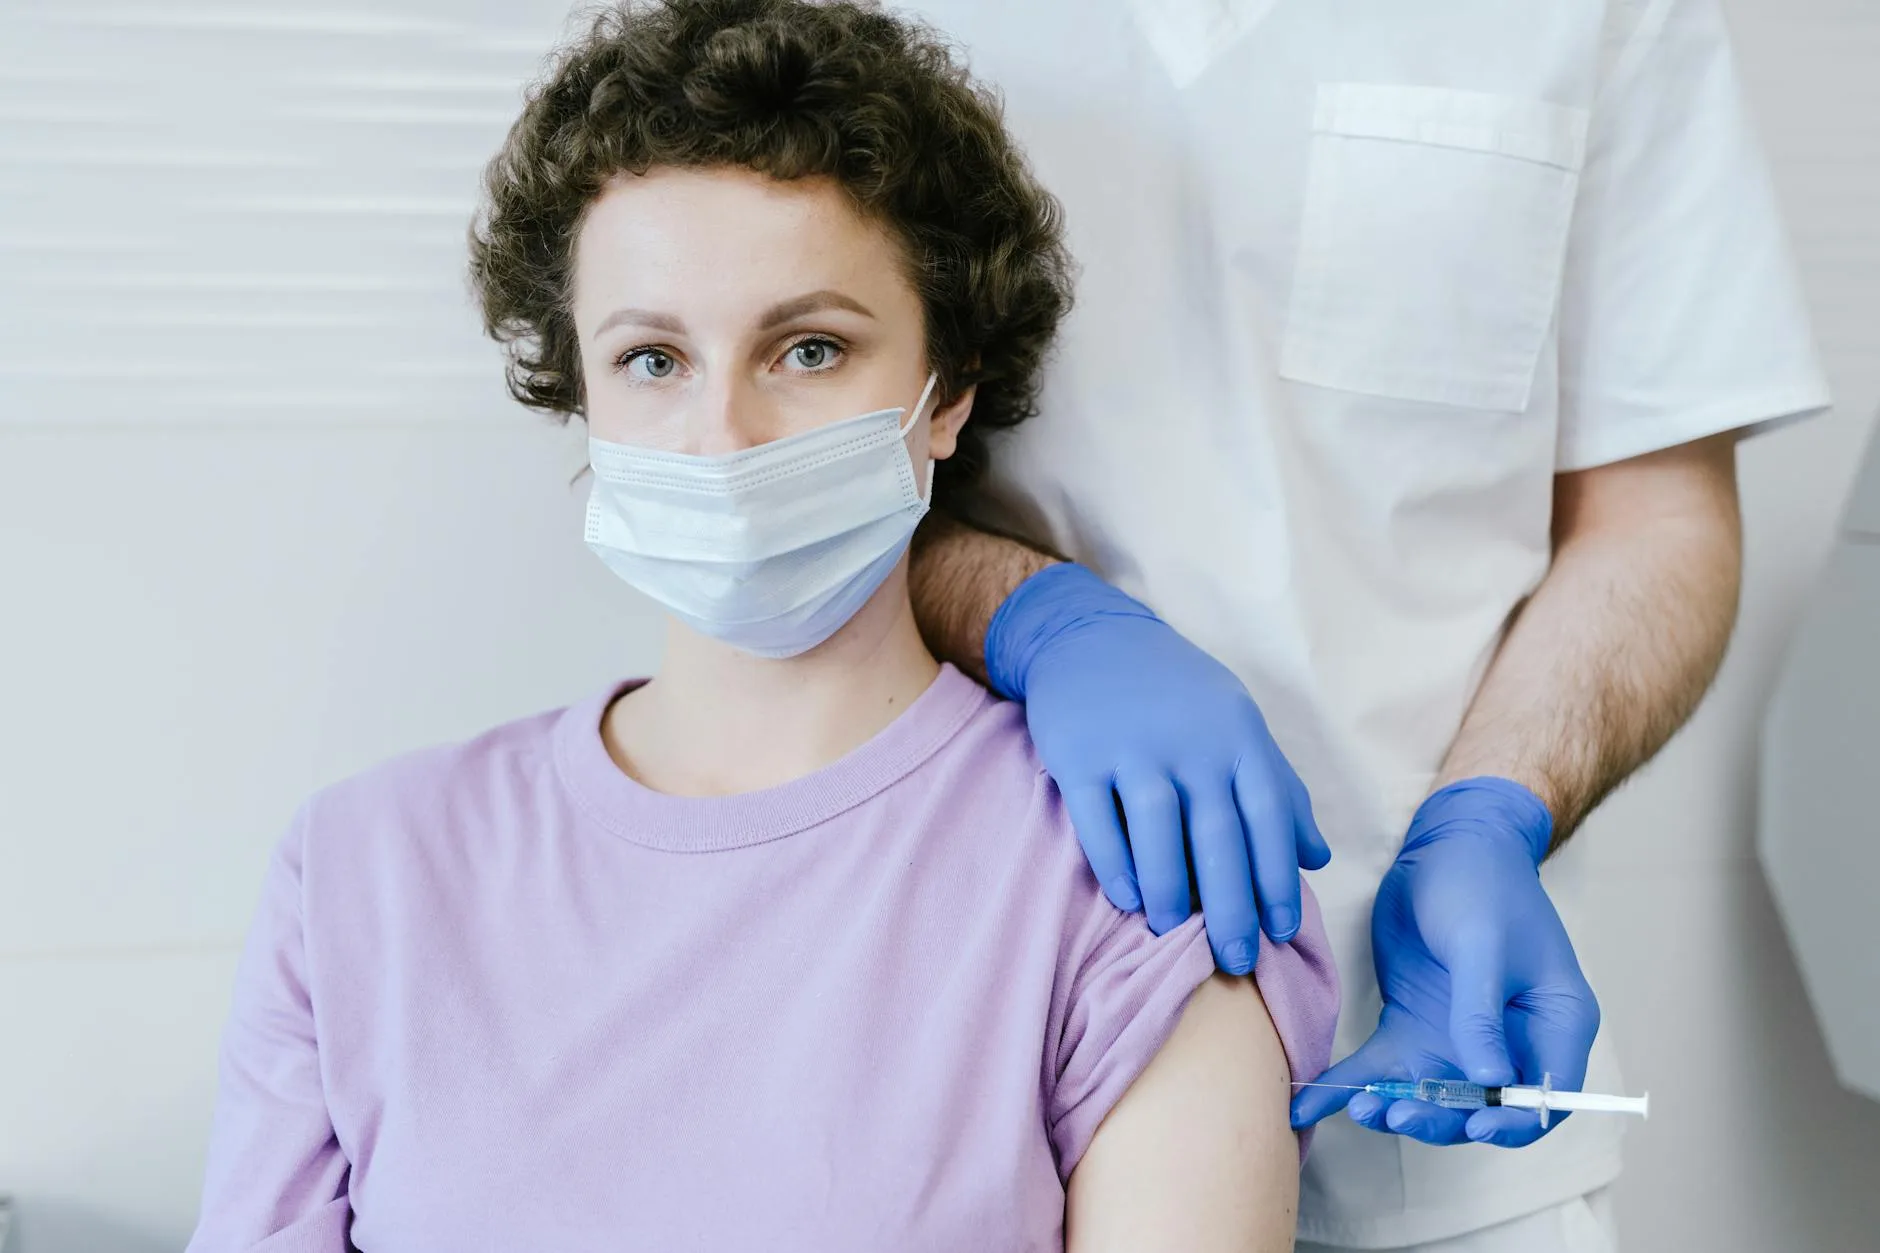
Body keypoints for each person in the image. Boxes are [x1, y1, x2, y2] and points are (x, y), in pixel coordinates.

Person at [183, 2, 1340, 1250]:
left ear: (944, 392)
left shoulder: (1129, 874)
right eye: (652, 360)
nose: (722, 435)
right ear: (577, 388)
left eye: (807, 349)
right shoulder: (364, 872)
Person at [893, 0, 1832, 1249]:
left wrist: (1495, 808)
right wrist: (1028, 614)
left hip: (1434, 1089)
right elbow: (755, 459)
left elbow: (1651, 516)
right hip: (975, 1028)